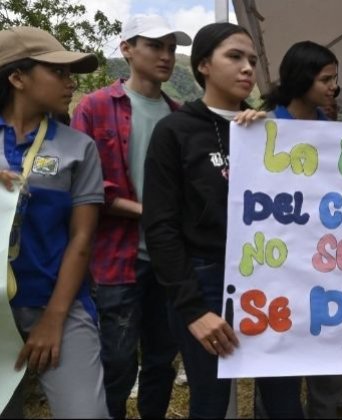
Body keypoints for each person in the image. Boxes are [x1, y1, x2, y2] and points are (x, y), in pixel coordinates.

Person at [141, 22, 268, 418]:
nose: (247, 67)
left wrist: (273, 137)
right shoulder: (174, 131)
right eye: (234, 56)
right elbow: (160, 225)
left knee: (282, 394)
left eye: (252, 59)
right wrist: (193, 309)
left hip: (270, 275)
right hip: (206, 280)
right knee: (210, 399)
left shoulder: (270, 133)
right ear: (203, 66)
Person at [71, 14, 191, 418]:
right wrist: (153, 213)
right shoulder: (95, 107)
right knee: (118, 360)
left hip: (168, 257)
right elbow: (86, 186)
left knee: (161, 358)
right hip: (117, 257)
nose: (166, 55)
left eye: (171, 48)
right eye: (155, 45)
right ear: (127, 49)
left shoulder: (178, 114)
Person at [0, 26, 108, 418]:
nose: (70, 82)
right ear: (17, 77)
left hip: (58, 306)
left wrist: (54, 318)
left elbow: (81, 238)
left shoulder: (79, 147)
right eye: (57, 72)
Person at [260, 39, 339, 419]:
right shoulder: (264, 126)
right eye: (326, 79)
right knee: (279, 365)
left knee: (327, 361)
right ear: (302, 77)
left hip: (327, 263)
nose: (333, 87)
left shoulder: (335, 132)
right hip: (279, 266)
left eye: (335, 79)